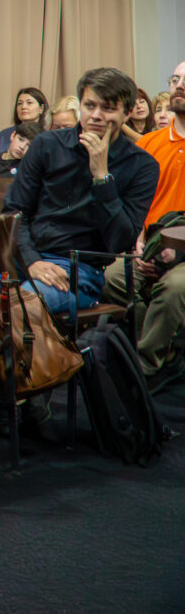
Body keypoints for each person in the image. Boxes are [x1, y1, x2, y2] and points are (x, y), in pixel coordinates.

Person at [0, 68, 158, 337]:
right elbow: (14, 211)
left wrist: (101, 177)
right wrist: (32, 262)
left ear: (127, 113)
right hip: (25, 256)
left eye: (108, 108)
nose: (96, 115)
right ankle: (1, 359)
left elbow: (120, 241)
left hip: (79, 269)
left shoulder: (142, 165)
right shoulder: (47, 144)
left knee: (15, 309)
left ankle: (35, 362)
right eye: (90, 105)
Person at [103, 59, 185, 390]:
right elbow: (134, 202)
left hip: (181, 252)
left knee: (175, 287)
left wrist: (177, 253)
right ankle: (164, 353)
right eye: (175, 79)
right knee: (113, 277)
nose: (180, 86)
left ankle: (144, 368)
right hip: (149, 244)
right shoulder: (149, 144)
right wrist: (138, 243)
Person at [0, 87, 48, 157]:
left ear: (41, 108)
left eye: (29, 103)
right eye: (19, 103)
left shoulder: (46, 138)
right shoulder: (4, 135)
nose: (23, 107)